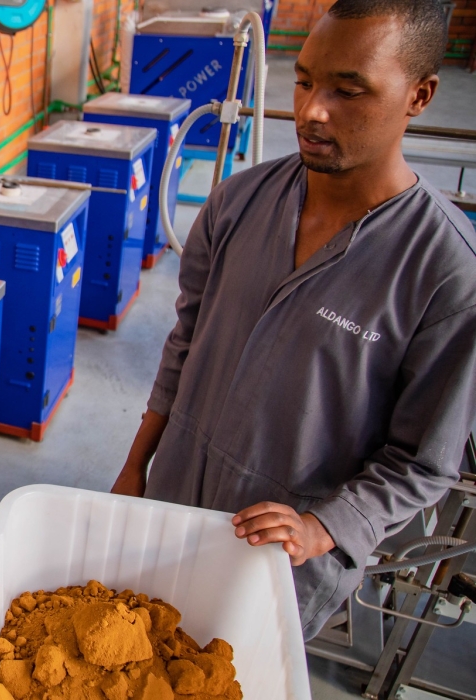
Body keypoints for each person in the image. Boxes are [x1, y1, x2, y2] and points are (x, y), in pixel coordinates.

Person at [111, 0, 476, 638]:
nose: (311, 110)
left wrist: (324, 528)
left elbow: (422, 460)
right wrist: (138, 462)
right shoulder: (238, 202)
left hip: (278, 559)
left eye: (348, 89)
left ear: (420, 95)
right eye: (305, 80)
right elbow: (185, 345)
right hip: (171, 509)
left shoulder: (445, 271)